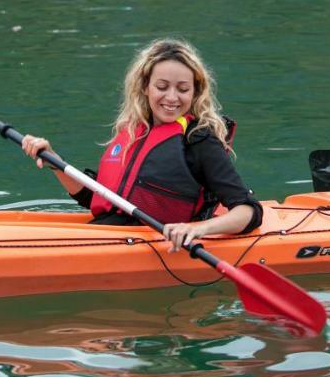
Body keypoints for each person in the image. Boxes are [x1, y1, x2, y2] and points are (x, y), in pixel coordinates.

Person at [21, 38, 262, 253]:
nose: (171, 97)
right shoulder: (133, 132)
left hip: (152, 246)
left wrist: (198, 229)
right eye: (162, 86)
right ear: (145, 87)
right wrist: (54, 161)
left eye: (183, 89)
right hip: (106, 235)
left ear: (195, 93)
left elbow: (249, 211)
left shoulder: (199, 140)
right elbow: (94, 199)